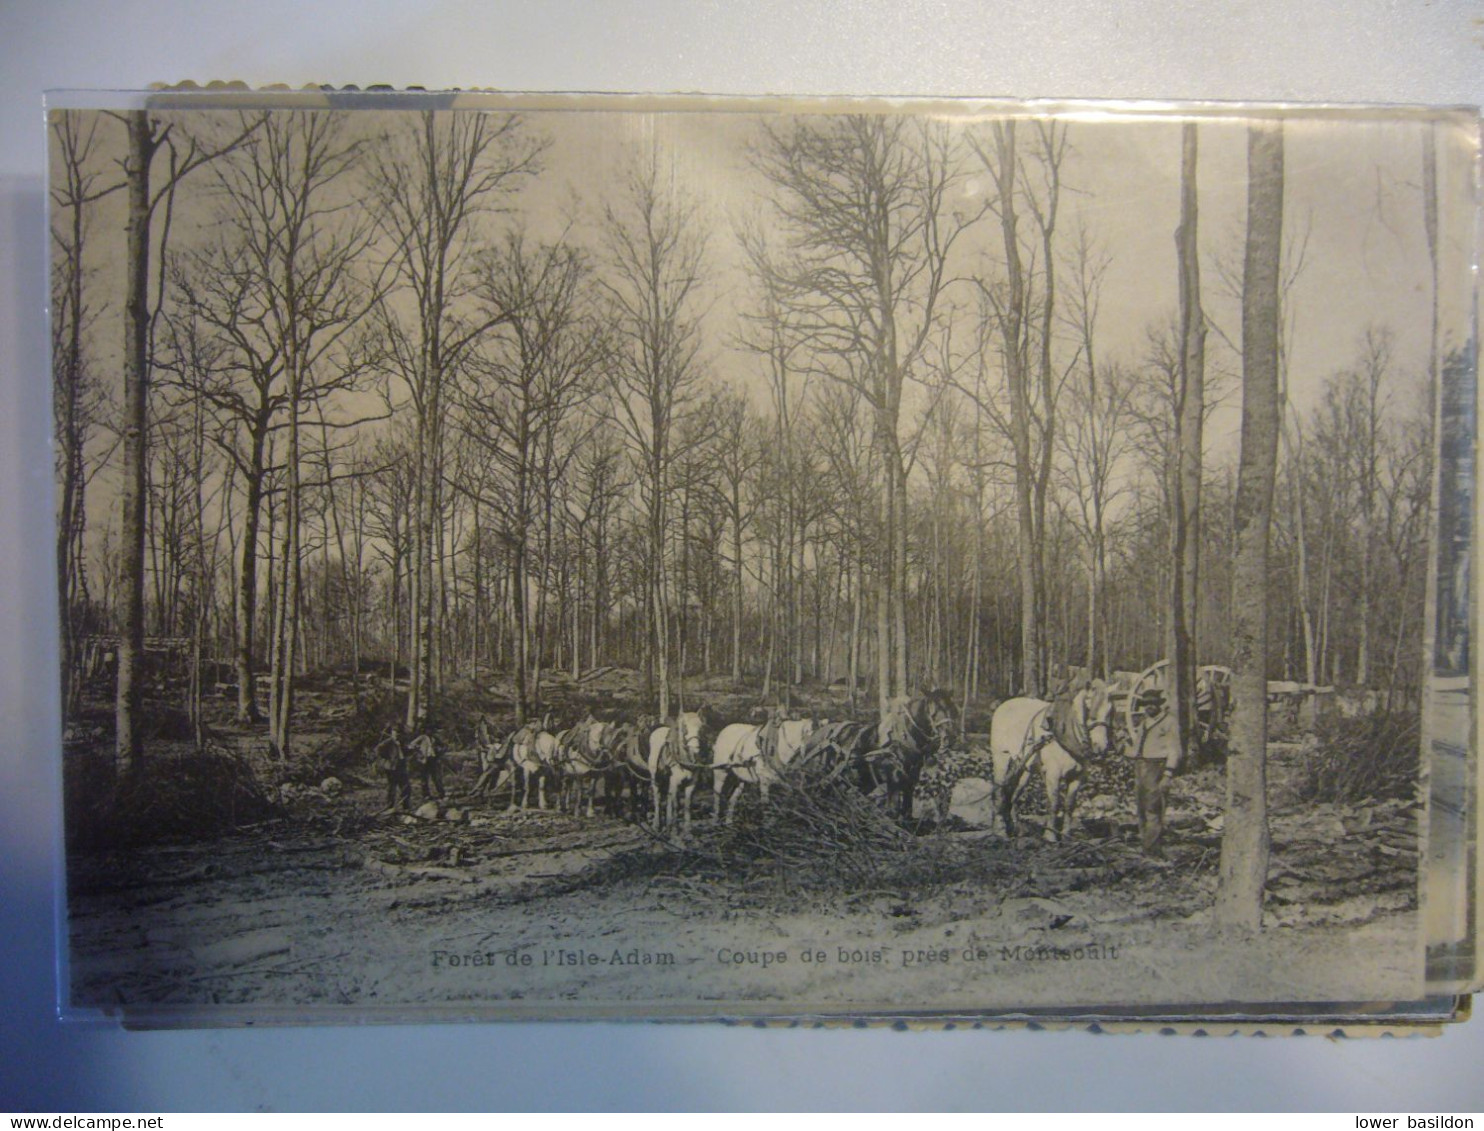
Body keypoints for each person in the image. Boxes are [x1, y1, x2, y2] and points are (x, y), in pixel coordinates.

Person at [1128, 689, 1181, 857]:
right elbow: (1136, 748)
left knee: (1153, 809)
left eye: (1153, 703)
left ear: (1160, 704)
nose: (1149, 707)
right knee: (1141, 808)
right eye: (1146, 704)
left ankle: (1152, 851)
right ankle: (1145, 845)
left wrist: (1168, 774)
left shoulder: (1169, 722)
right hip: (1140, 766)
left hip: (1156, 766)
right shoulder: (1144, 722)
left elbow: (1175, 750)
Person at [375, 722, 410, 811]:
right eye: (395, 732)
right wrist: (387, 760)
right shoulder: (388, 742)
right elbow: (377, 750)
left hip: (401, 767)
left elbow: (405, 753)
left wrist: (412, 750)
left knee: (406, 787)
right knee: (392, 788)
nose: (397, 735)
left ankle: (406, 807)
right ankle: (390, 807)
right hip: (392, 768)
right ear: (391, 733)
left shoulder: (401, 742)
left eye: (398, 733)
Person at [408, 727, 445, 801]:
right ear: (425, 730)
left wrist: (440, 750)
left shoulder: (435, 738)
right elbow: (411, 745)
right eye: (428, 730)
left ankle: (441, 793)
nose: (430, 731)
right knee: (424, 778)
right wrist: (418, 751)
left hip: (433, 759)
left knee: (436, 777)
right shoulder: (422, 737)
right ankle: (426, 794)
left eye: (431, 730)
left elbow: (443, 745)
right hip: (424, 760)